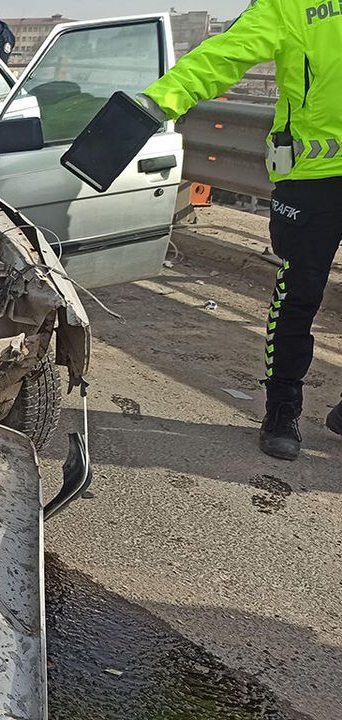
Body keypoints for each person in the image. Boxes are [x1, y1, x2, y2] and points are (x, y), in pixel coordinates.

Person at [133, 0, 342, 461]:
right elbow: (225, 54)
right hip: (310, 178)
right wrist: (160, 100)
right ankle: (282, 407)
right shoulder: (288, 6)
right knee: (300, 294)